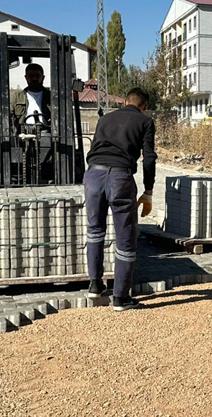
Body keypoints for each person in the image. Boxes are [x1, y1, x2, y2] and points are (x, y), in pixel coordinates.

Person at [83, 87, 156, 311]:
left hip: (93, 175)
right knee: (125, 237)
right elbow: (149, 158)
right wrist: (149, 190)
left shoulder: (105, 119)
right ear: (144, 106)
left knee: (95, 231)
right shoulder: (145, 122)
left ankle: (95, 285)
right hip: (120, 177)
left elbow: (94, 146)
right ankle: (120, 297)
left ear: (125, 102)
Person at [11, 63, 54, 179]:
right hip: (23, 131)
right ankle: (15, 173)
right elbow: (9, 115)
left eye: (37, 75)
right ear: (26, 77)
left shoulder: (52, 97)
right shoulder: (16, 97)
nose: (34, 78)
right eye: (31, 75)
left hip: (45, 131)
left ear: (43, 77)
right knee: (11, 143)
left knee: (50, 141)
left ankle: (48, 173)